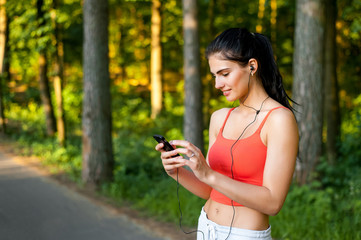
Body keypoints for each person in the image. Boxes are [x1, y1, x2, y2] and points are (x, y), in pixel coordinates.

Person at [155, 28, 299, 240]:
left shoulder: (279, 120)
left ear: (252, 66)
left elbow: (273, 203)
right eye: (214, 76)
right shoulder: (219, 118)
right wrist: (176, 171)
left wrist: (209, 174)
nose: (217, 84)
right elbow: (210, 190)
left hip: (245, 235)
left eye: (224, 74)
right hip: (206, 227)